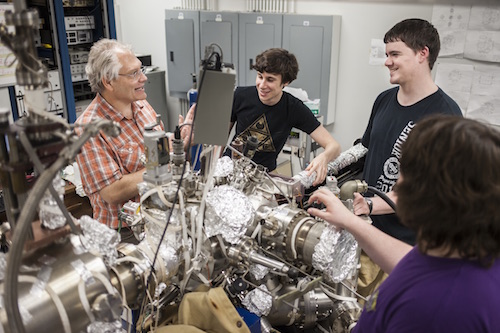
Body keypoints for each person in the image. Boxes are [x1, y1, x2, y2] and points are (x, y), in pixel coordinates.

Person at [308, 115, 500, 332]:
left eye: (405, 173)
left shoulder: (432, 311)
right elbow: (413, 262)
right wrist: (350, 221)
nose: (397, 184)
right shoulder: (463, 251)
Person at [350, 18, 463, 296]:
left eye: (395, 54)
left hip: (402, 245)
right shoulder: (384, 99)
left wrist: (369, 206)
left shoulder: (445, 116)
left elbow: (424, 193)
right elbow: (364, 150)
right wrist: (325, 165)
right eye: (387, 55)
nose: (387, 62)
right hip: (364, 232)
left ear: (422, 54)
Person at [75, 39, 193, 239]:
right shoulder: (89, 128)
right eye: (133, 73)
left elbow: (159, 152)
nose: (144, 78)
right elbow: (111, 191)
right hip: (124, 234)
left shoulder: (142, 105)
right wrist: (167, 163)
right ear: (108, 81)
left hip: (159, 218)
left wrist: (178, 142)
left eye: (141, 69)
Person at [228, 48, 341, 186]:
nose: (262, 85)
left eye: (270, 79)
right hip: (229, 170)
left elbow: (334, 146)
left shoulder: (293, 108)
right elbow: (219, 138)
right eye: (260, 76)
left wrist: (324, 157)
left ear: (285, 82)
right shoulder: (240, 95)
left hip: (263, 177)